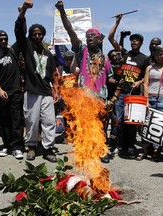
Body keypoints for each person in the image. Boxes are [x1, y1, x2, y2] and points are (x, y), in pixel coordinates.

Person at [55, 1, 111, 163]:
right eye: (87, 37)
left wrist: (113, 97)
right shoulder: (81, 50)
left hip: (101, 97)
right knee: (85, 125)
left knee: (101, 125)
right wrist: (62, 11)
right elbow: (70, 31)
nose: (89, 38)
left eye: (92, 36)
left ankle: (102, 151)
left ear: (100, 39)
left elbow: (111, 78)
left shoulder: (106, 59)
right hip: (84, 97)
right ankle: (86, 151)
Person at [15, 1, 58, 163]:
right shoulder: (27, 47)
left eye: (40, 34)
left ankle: (48, 149)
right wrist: (24, 10)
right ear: (31, 36)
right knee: (31, 122)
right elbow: (19, 29)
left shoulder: (47, 53)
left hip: (46, 92)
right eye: (34, 34)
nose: (37, 36)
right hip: (31, 91)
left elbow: (53, 74)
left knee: (49, 122)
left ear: (43, 35)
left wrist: (56, 90)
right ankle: (32, 146)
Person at [107, 12, 150, 159]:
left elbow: (147, 77)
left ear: (141, 43)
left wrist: (141, 81)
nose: (134, 42)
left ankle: (130, 147)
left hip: (134, 96)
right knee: (117, 121)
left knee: (131, 123)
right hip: (120, 94)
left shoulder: (145, 59)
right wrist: (118, 21)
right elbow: (110, 38)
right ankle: (114, 146)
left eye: (137, 41)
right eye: (132, 40)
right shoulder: (124, 54)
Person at [0, 30, 24, 160]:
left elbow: (20, 34)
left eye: (5, 39)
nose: (3, 41)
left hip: (15, 92)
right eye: (1, 39)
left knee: (16, 120)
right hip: (2, 93)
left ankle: (17, 147)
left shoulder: (13, 51)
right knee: (3, 121)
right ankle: (7, 145)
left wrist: (23, 11)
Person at [137, 45, 163, 161]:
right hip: (150, 98)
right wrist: (145, 100)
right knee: (145, 125)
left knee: (159, 126)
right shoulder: (149, 68)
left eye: (161, 54)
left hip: (162, 99)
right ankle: (144, 151)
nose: (158, 56)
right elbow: (146, 84)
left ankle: (157, 151)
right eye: (156, 54)